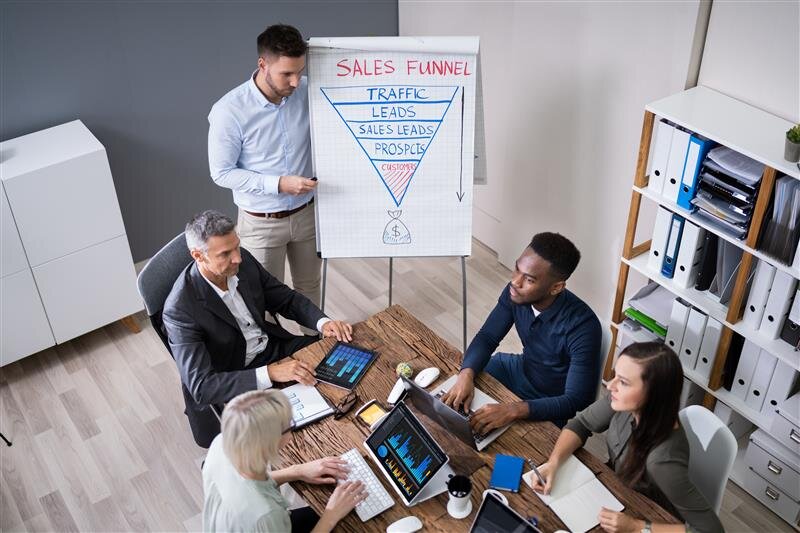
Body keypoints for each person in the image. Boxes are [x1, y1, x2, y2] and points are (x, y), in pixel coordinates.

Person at [163, 210, 352, 448]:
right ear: (198, 256)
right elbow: (202, 386)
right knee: (295, 438)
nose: (238, 259)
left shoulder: (244, 263)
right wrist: (271, 373)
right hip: (234, 375)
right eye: (225, 254)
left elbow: (286, 299)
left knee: (343, 362)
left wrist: (324, 323)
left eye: (237, 247)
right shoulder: (180, 310)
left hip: (271, 347)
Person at [531, 342, 724, 533]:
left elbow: (711, 530)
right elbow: (581, 424)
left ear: (653, 394)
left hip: (647, 517)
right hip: (613, 493)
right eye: (615, 376)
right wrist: (554, 462)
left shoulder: (662, 461)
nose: (610, 385)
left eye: (623, 382)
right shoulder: (625, 402)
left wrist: (637, 527)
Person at [208, 24, 320, 335]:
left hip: (307, 214)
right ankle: (277, 363)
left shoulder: (307, 91)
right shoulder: (228, 111)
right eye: (287, 74)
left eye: (300, 71)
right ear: (263, 64)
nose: (296, 81)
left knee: (309, 289)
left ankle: (316, 348)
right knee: (264, 300)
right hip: (261, 223)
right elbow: (221, 172)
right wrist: (279, 183)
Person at [442, 232, 602, 432]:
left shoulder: (584, 327)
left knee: (507, 445)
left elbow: (576, 400)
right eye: (517, 269)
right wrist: (466, 373)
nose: (515, 282)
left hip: (552, 399)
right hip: (517, 369)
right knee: (451, 398)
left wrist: (513, 410)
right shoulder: (515, 293)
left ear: (556, 287)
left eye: (529, 279)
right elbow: (488, 337)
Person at [203, 389, 367, 532]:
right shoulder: (266, 514)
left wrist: (297, 471)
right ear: (269, 440)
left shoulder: (222, 443)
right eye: (289, 425)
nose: (291, 431)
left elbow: (249, 484)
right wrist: (331, 515)